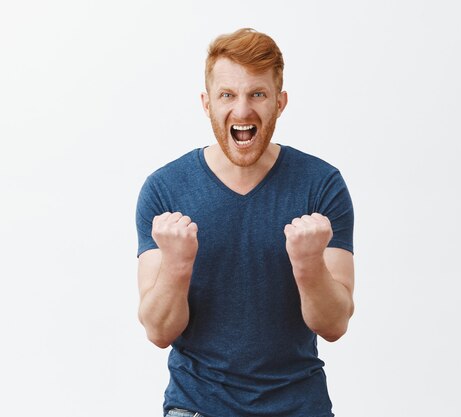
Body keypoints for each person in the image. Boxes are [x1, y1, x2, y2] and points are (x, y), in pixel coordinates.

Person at [136, 28, 355, 417]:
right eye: (227, 95)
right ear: (206, 103)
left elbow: (335, 325)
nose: (241, 111)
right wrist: (177, 265)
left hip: (298, 406)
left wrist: (308, 265)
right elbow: (159, 332)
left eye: (257, 94)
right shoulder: (164, 190)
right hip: (197, 406)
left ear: (280, 102)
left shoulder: (321, 186)